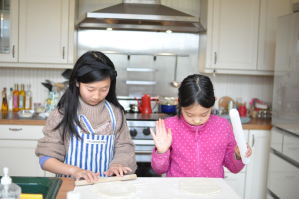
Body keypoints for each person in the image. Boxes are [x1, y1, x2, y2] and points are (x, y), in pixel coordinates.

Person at [36, 51, 137, 182]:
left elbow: (125, 149)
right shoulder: (61, 114)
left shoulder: (116, 114)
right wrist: (74, 170)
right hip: (71, 189)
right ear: (77, 82)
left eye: (104, 89)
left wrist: (118, 164)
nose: (96, 95)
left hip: (106, 188)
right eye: (90, 89)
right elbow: (46, 159)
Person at [150, 74, 252, 177]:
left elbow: (233, 168)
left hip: (213, 189)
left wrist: (238, 156)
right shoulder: (170, 126)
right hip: (178, 188)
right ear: (179, 103)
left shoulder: (223, 126)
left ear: (213, 103)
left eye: (204, 114)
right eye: (189, 114)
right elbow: (159, 170)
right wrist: (161, 152)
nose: (197, 120)